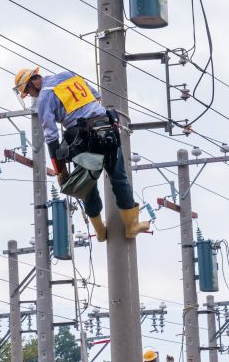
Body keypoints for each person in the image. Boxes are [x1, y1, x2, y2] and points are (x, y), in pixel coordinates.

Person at [13, 66, 148, 242]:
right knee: (119, 178)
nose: (31, 95)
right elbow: (96, 96)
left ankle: (100, 230)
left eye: (28, 91)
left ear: (33, 82)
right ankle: (131, 226)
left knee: (87, 186)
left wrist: (60, 171)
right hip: (105, 129)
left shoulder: (44, 97)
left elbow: (51, 135)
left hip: (84, 141)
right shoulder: (68, 75)